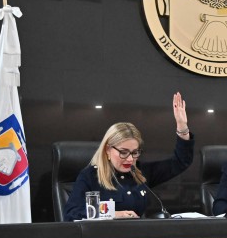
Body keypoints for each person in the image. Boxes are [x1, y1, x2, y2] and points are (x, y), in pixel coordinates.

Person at [63, 93, 194, 220]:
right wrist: (113, 214)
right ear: (107, 150)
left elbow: (181, 162)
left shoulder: (140, 173)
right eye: (123, 152)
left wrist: (182, 127)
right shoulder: (91, 176)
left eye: (135, 152)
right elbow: (71, 213)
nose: (130, 159)